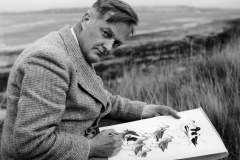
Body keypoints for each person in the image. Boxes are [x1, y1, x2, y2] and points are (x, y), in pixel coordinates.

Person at [1, 0, 181, 159]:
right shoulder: (50, 59)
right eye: (106, 33)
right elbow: (31, 144)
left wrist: (143, 110)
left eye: (116, 43)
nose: (109, 47)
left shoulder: (76, 48)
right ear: (86, 20)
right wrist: (92, 147)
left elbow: (97, 97)